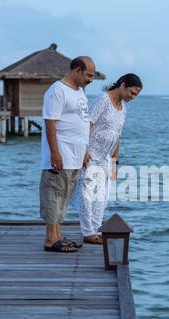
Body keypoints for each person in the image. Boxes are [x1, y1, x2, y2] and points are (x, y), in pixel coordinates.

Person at [72, 73, 142, 244]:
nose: (132, 97)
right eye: (132, 93)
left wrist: (115, 162)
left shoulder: (123, 108)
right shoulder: (103, 99)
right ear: (123, 85)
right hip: (91, 154)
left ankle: (96, 230)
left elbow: (117, 136)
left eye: (136, 95)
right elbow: (88, 124)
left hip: (105, 158)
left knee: (101, 198)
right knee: (87, 196)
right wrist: (84, 151)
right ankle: (88, 233)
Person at [40, 56, 95, 252]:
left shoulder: (80, 92)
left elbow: (82, 122)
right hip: (60, 155)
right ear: (77, 70)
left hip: (76, 155)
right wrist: (55, 153)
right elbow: (50, 123)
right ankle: (50, 240)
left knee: (64, 196)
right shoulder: (57, 91)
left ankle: (58, 235)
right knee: (54, 194)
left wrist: (85, 151)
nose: (91, 79)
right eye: (88, 75)